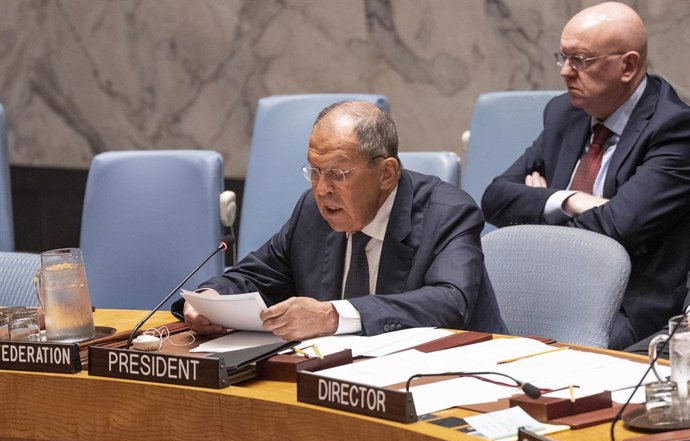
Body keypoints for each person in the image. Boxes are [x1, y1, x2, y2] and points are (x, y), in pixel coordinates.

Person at [174, 101, 507, 340]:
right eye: (315, 171)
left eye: (338, 174)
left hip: (451, 381)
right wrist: (211, 298)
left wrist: (334, 316)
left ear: (386, 174)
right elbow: (258, 274)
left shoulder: (447, 213)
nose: (321, 189)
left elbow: (450, 302)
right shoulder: (312, 212)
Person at [480, 2, 690, 350]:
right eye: (562, 57)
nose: (565, 71)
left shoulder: (675, 129)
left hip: (626, 306)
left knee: (556, 371)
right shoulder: (565, 113)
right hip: (547, 287)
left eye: (581, 60)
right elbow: (495, 198)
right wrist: (569, 199)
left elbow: (618, 227)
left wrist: (542, 210)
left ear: (628, 65)